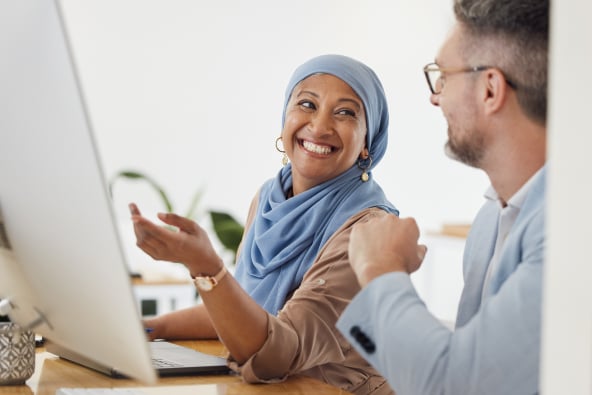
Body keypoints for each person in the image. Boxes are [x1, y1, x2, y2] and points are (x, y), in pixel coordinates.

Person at [129, 54, 399, 395]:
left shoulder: (369, 230)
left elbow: (277, 354)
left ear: (367, 142)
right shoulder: (270, 198)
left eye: (345, 112)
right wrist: (144, 330)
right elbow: (242, 310)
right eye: (306, 104)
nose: (319, 126)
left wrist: (205, 266)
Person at [336, 0, 548, 394]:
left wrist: (381, 268)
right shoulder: (490, 219)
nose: (435, 98)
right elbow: (467, 363)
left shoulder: (567, 230)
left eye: (442, 77)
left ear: (490, 89)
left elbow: (455, 385)